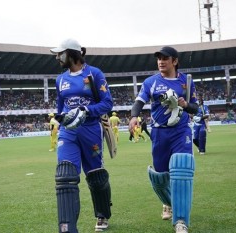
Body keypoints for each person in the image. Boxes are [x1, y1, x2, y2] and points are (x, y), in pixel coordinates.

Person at [128, 46, 198, 233]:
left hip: (181, 131)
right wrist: (134, 116)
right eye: (159, 58)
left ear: (174, 61)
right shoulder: (151, 82)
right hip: (159, 133)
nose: (161, 61)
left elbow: (195, 108)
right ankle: (168, 203)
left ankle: (181, 220)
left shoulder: (187, 81)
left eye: (165, 58)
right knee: (161, 174)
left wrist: (185, 104)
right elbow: (139, 102)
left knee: (181, 168)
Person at [50, 38, 113, 233]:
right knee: (65, 173)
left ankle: (102, 214)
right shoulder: (60, 80)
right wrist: (60, 119)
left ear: (72, 53)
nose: (58, 57)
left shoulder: (94, 73)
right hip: (68, 132)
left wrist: (85, 110)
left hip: (91, 130)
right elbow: (61, 108)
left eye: (61, 53)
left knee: (95, 176)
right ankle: (67, 227)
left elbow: (107, 104)